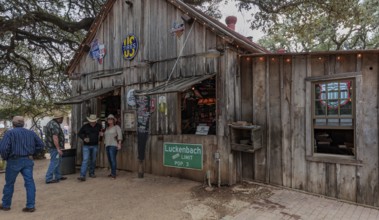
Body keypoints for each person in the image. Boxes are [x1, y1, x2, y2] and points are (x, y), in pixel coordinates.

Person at [0, 116, 44, 212]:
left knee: (9, 184)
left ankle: (6, 205)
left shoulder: (10, 133)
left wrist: (6, 157)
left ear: (13, 123)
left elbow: (3, 148)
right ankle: (30, 206)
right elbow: (41, 145)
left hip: (14, 160)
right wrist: (33, 153)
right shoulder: (31, 133)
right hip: (28, 160)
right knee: (29, 183)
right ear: (23, 123)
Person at [77, 114, 103, 181]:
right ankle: (82, 175)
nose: (92, 122)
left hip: (95, 145)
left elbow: (101, 134)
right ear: (89, 120)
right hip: (86, 146)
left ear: (96, 121)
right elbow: (79, 133)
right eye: (91, 121)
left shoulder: (99, 126)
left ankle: (91, 173)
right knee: (85, 160)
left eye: (94, 121)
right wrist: (84, 138)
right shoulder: (85, 126)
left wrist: (100, 140)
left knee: (93, 160)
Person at [45, 113, 67, 184]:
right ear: (58, 118)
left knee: (58, 161)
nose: (62, 119)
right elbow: (55, 137)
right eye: (62, 118)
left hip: (52, 146)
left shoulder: (51, 123)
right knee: (54, 162)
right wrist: (58, 148)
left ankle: (58, 175)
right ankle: (48, 178)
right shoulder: (54, 125)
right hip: (54, 147)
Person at [104, 114, 122, 179]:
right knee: (110, 160)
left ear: (114, 120)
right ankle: (112, 172)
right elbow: (105, 137)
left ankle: (114, 174)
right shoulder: (107, 128)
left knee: (113, 159)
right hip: (107, 145)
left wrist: (119, 144)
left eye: (111, 119)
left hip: (113, 145)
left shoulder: (117, 127)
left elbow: (119, 135)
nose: (110, 120)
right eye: (109, 119)